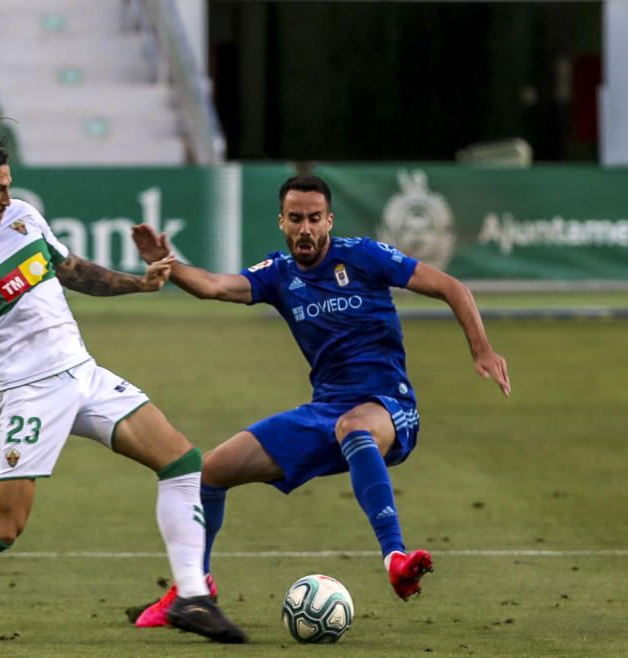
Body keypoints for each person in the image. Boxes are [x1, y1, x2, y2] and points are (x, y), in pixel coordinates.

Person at [0, 117, 246, 644]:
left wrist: (140, 285)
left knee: (181, 460)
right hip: (24, 396)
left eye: (9, 187)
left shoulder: (24, 218)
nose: (7, 198)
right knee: (3, 529)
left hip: (83, 374)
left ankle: (191, 598)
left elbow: (73, 270)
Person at [129, 174, 511, 628]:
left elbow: (453, 287)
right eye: (296, 219)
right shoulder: (278, 275)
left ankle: (394, 558)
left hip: (389, 406)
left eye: (314, 218)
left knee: (355, 426)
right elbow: (213, 285)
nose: (305, 228)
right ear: (282, 222)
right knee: (208, 472)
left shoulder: (364, 257)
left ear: (329, 220)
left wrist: (481, 348)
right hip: (325, 411)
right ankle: (193, 588)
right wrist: (168, 264)